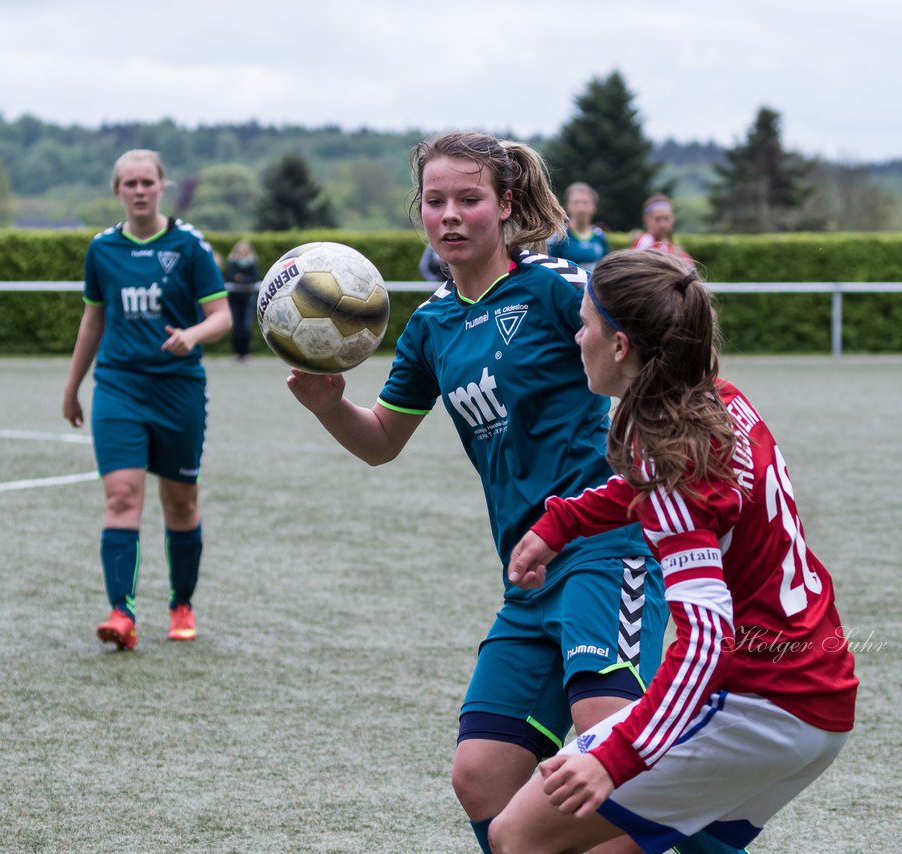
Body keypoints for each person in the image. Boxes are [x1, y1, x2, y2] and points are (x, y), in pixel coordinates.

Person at [287, 131, 681, 854]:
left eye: (469, 199)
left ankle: (705, 829)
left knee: (608, 750)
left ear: (504, 206)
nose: (451, 215)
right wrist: (325, 405)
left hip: (607, 548)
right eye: (435, 201)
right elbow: (381, 440)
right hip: (527, 575)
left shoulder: (560, 291)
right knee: (480, 776)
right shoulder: (432, 327)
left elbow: (656, 357)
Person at [488, 250, 859, 854]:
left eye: (585, 323)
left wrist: (616, 756)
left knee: (516, 836)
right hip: (818, 699)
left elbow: (707, 636)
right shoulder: (713, 398)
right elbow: (661, 484)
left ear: (619, 346)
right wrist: (564, 522)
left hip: (757, 704)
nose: (576, 335)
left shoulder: (670, 457)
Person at [62, 149, 231, 651]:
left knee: (181, 502)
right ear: (118, 191)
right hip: (118, 388)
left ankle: (181, 603)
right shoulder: (102, 250)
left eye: (146, 182)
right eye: (129, 183)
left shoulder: (189, 245)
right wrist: (72, 386)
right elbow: (93, 321)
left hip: (178, 388)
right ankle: (121, 613)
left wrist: (193, 334)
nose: (138, 191)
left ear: (162, 186)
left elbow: (220, 315)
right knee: (121, 497)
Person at [548, 182, 609, 272]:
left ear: (594, 206)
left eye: (585, 202)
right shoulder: (558, 236)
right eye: (576, 202)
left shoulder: (600, 236)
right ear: (567, 206)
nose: (581, 208)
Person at [224, 239, 261, 362]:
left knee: (246, 326)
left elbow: (254, 277)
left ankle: (246, 352)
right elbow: (229, 276)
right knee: (236, 326)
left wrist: (242, 278)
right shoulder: (232, 262)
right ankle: (236, 352)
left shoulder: (253, 263)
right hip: (234, 299)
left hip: (247, 299)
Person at [630, 194, 692, 264]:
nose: (663, 225)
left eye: (666, 218)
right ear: (646, 219)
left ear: (673, 218)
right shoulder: (643, 244)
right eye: (657, 219)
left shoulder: (673, 247)